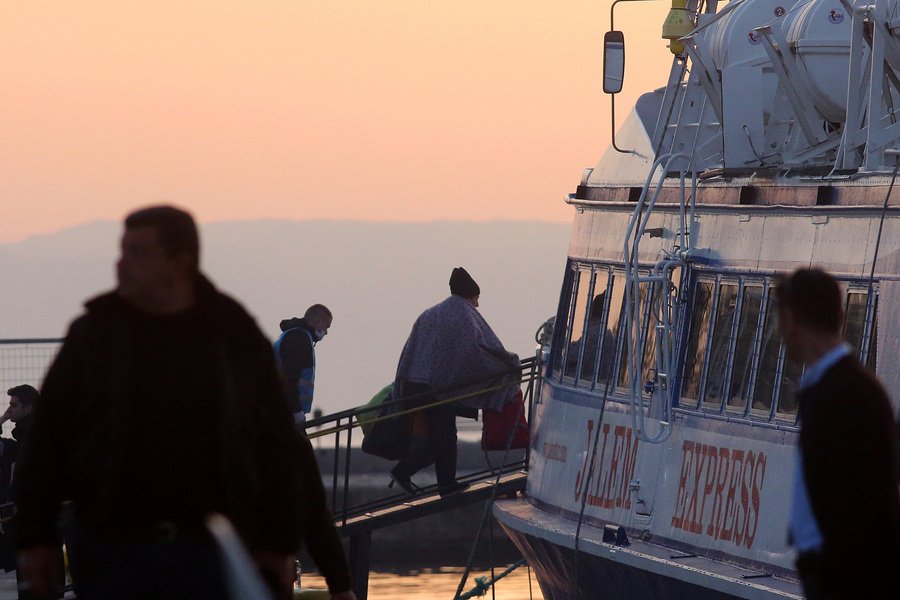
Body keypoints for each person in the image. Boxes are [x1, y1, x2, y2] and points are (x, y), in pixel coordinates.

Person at [12, 205, 356, 600]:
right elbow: (47, 440)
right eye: (122, 251)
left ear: (180, 261)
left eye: (138, 253)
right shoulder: (94, 334)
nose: (121, 265)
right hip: (111, 546)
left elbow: (279, 448)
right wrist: (34, 538)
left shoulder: (231, 335)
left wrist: (284, 548)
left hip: (204, 546)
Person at [776, 268, 900, 599]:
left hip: (845, 580)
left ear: (792, 321)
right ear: (840, 316)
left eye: (781, 318)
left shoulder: (845, 396)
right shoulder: (840, 389)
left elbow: (858, 509)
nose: (778, 329)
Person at [390, 267, 520, 497]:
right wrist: (510, 364)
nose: (478, 305)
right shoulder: (465, 316)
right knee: (445, 438)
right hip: (438, 389)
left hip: (414, 385)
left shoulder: (429, 314)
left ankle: (437, 481)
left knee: (441, 438)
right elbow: (481, 350)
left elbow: (408, 351)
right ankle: (426, 478)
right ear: (470, 295)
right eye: (477, 299)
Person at [274, 304, 333, 426]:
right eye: (326, 326)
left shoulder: (294, 335)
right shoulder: (299, 338)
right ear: (317, 321)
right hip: (284, 411)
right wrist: (295, 411)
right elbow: (289, 376)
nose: (326, 332)